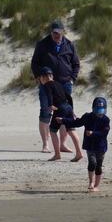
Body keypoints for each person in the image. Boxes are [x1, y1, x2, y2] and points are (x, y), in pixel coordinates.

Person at [31, 20, 82, 157]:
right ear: (51, 32)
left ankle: (62, 144)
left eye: (59, 33)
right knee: (46, 111)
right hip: (47, 84)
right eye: (54, 33)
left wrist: (72, 79)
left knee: (64, 114)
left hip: (65, 84)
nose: (56, 35)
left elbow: (76, 64)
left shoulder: (69, 45)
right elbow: (35, 63)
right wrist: (38, 77)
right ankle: (46, 144)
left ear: (63, 32)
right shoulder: (42, 44)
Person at [54, 95, 112, 192]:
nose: (99, 112)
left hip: (101, 146)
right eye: (97, 110)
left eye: (101, 110)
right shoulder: (87, 116)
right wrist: (63, 120)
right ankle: (91, 182)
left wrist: (93, 133)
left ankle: (96, 185)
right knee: (92, 163)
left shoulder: (106, 120)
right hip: (90, 145)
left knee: (98, 166)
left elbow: (104, 133)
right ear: (93, 108)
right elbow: (76, 123)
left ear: (105, 109)